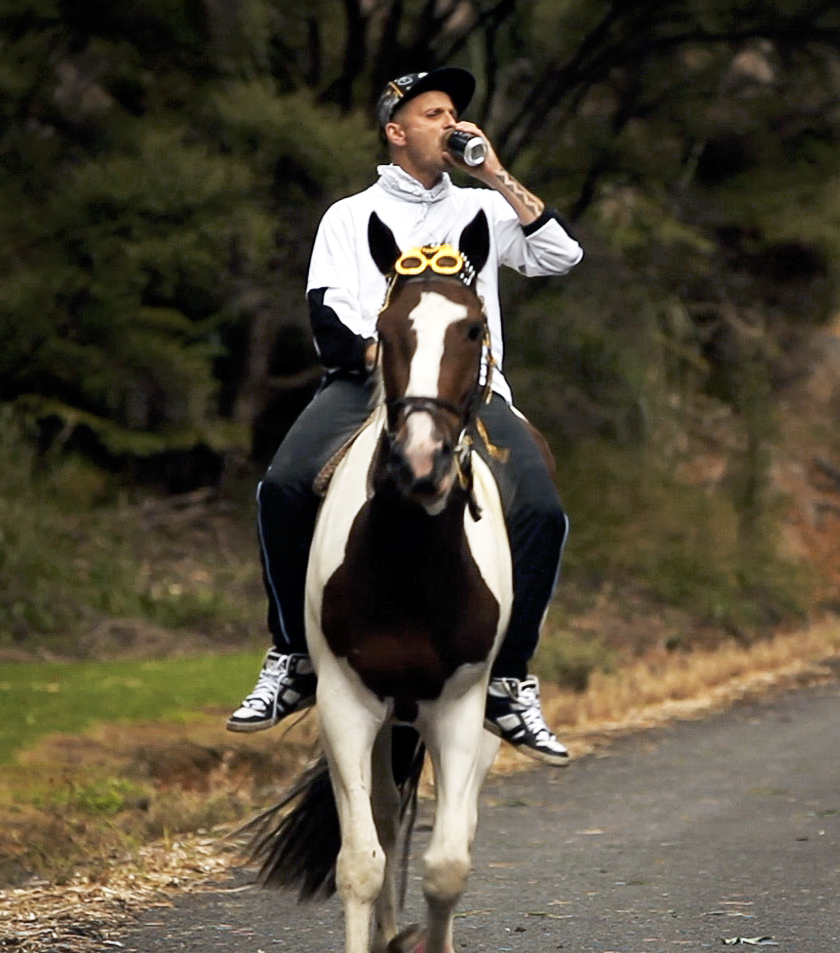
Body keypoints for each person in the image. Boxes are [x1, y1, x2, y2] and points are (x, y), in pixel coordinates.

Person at [226, 67, 581, 766]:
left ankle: (509, 679)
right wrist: (393, 363)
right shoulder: (348, 216)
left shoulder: (483, 211)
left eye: (455, 113)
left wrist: (498, 174)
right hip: (364, 382)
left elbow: (558, 255)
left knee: (543, 510)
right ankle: (293, 658)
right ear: (396, 131)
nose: (450, 123)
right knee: (283, 487)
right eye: (433, 113)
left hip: (469, 393)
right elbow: (326, 313)